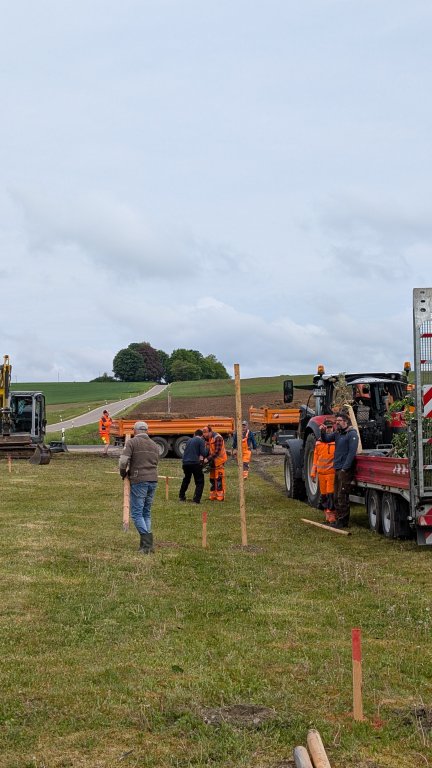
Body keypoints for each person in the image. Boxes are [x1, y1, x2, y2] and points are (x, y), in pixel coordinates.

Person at [119, 421, 159, 554]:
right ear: (147, 431)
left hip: (139, 479)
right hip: (153, 479)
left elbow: (123, 460)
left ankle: (147, 544)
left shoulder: (132, 442)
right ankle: (146, 546)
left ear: (135, 431)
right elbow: (156, 462)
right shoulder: (154, 445)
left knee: (136, 513)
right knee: (146, 512)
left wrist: (123, 472)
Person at [320, 412, 359, 528]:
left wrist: (345, 468)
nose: (337, 423)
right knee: (336, 495)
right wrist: (322, 431)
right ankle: (338, 519)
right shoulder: (338, 434)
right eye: (336, 421)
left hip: (345, 470)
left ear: (346, 422)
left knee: (342, 495)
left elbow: (352, 453)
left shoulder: (351, 434)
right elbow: (326, 439)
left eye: (339, 421)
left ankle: (343, 521)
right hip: (337, 468)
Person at [311, 419, 336, 523]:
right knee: (324, 495)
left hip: (331, 473)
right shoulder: (318, 442)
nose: (329, 429)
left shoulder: (335, 441)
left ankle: (332, 515)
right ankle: (327, 513)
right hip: (321, 474)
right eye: (327, 427)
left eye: (330, 427)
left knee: (331, 494)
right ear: (324, 428)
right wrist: (313, 472)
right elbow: (315, 459)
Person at [179, 429, 209, 504]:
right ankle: (196, 500)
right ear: (201, 435)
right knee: (199, 481)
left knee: (186, 479)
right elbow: (204, 453)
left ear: (194, 434)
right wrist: (208, 449)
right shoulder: (201, 441)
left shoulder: (189, 440)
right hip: (195, 463)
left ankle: (181, 496)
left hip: (185, 463)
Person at [202, 425, 228, 501]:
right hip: (213, 461)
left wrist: (207, 459)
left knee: (219, 478)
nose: (204, 435)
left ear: (210, 432)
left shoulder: (218, 438)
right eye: (203, 433)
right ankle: (213, 495)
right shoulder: (208, 437)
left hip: (220, 461)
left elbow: (217, 452)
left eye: (206, 433)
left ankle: (220, 496)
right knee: (212, 478)